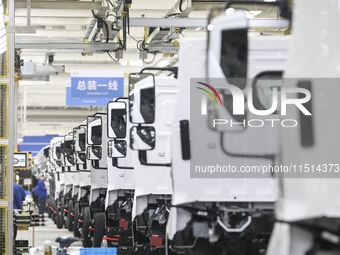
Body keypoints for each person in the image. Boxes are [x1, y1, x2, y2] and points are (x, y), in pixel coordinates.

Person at [13, 175, 26, 240]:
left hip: (3, 210)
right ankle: (13, 242)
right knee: (14, 226)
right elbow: (23, 198)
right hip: (16, 210)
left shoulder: (2, 186)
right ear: (15, 180)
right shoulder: (18, 187)